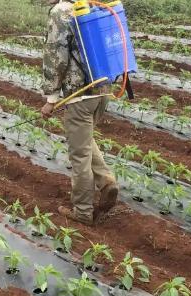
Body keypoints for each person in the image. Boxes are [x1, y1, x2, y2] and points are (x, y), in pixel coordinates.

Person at [41, 0, 118, 226]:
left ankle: (83, 211)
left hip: (79, 94)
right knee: (84, 141)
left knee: (79, 155)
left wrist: (51, 98)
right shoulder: (90, 6)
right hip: (102, 90)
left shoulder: (60, 12)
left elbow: (55, 57)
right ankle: (106, 182)